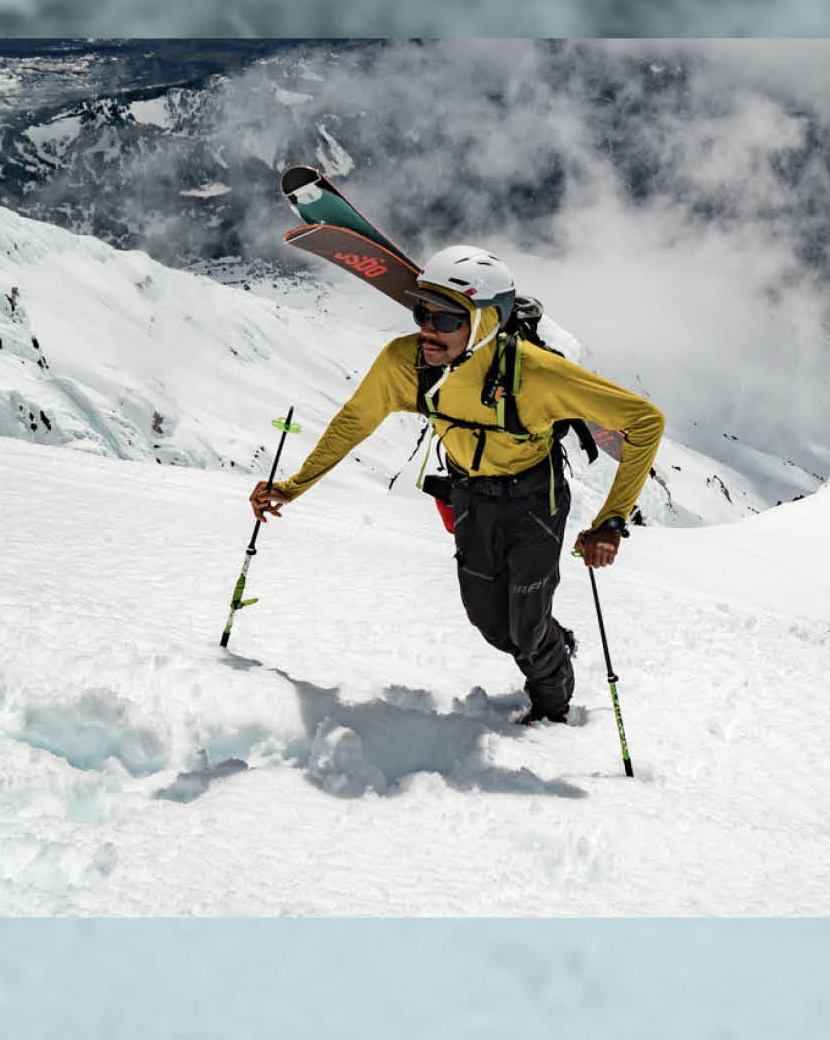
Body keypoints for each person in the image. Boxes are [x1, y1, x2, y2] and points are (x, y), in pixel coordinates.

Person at [249, 245, 666, 725]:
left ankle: (554, 709)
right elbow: (354, 422)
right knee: (490, 623)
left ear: (486, 322)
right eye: (421, 312)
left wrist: (611, 521)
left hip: (535, 500)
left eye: (446, 319)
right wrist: (294, 486)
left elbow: (645, 422)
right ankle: (554, 641)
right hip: (471, 497)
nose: (427, 328)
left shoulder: (537, 373)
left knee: (526, 629)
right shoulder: (407, 364)